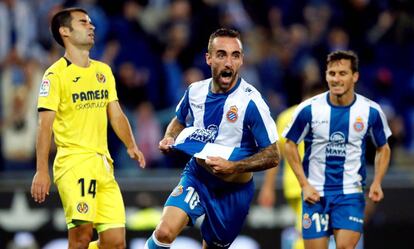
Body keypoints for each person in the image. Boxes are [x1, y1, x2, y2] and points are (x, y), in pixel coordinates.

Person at [144, 28, 280, 249]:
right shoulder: (195, 91)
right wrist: (169, 137)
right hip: (198, 177)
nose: (229, 62)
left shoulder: (252, 102)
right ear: (209, 58)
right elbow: (179, 120)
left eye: (235, 55)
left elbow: (273, 155)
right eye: (221, 54)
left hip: (233, 192)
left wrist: (233, 166)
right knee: (164, 232)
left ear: (241, 60)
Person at [30, 8, 146, 249]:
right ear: (65, 32)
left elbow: (116, 114)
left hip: (103, 164)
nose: (91, 26)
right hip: (74, 162)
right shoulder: (55, 75)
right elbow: (44, 127)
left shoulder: (103, 71)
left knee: (115, 242)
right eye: (83, 22)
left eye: (91, 23)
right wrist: (41, 170)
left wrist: (131, 145)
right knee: (82, 236)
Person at [283, 50, 391, 249]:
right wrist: (304, 184)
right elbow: (289, 145)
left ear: (355, 76)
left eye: (342, 73)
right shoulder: (308, 109)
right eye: (332, 73)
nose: (336, 78)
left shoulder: (370, 111)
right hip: (315, 194)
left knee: (345, 247)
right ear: (326, 75)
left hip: (350, 193)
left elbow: (383, 148)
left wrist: (377, 182)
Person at [258, 83, 326, 249]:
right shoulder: (319, 115)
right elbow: (276, 154)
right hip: (306, 185)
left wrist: (268, 187)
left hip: (297, 185)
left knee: (312, 230)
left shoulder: (286, 116)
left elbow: (275, 155)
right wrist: (267, 187)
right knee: (310, 232)